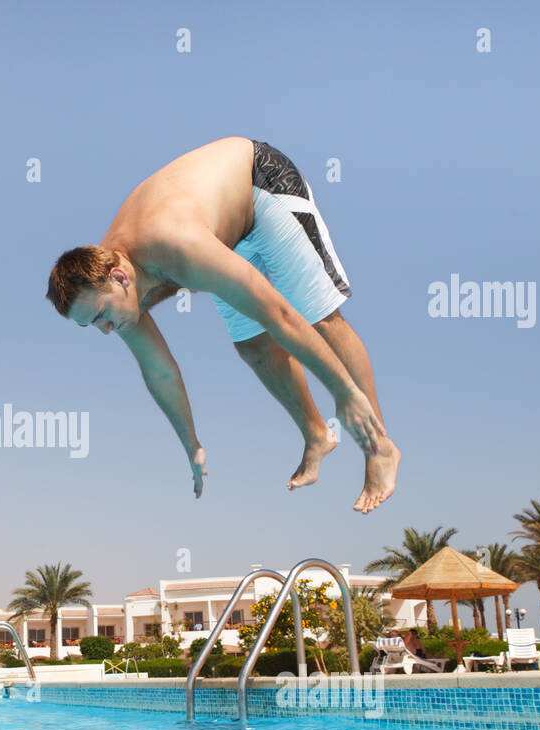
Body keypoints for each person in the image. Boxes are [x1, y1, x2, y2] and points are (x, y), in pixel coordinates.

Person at [46, 137, 400, 513]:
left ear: (119, 277)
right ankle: (316, 434)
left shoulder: (177, 245)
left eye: (101, 317)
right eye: (94, 326)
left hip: (261, 186)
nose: (106, 330)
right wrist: (191, 444)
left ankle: (379, 449)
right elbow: (160, 371)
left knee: (319, 320)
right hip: (221, 233)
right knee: (254, 346)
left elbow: (278, 313)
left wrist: (343, 393)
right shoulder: (117, 293)